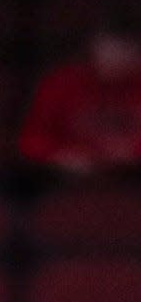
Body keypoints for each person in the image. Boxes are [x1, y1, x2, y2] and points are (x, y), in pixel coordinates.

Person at [18, 15, 141, 185]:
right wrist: (61, 155)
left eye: (126, 48)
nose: (118, 56)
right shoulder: (61, 84)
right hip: (67, 182)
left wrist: (132, 153)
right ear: (94, 46)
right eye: (111, 47)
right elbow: (31, 140)